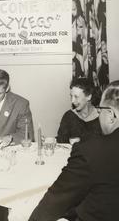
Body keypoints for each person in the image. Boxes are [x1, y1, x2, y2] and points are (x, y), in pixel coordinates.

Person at [28, 80, 119, 221]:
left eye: (101, 110)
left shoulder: (89, 152)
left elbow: (54, 202)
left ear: (112, 115)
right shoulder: (70, 117)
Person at [57, 78, 102, 143]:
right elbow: (61, 141)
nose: (72, 101)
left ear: (88, 97)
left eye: (76, 97)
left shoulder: (101, 117)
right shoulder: (68, 116)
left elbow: (108, 143)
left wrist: (81, 141)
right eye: (71, 96)